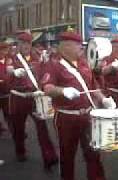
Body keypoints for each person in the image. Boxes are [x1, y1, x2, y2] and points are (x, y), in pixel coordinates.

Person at [42, 29, 113, 180]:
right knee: (67, 156)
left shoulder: (83, 63)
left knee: (93, 153)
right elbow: (47, 88)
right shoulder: (53, 65)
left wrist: (103, 99)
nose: (82, 48)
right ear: (66, 46)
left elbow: (93, 87)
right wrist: (62, 91)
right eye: (78, 45)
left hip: (87, 116)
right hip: (67, 118)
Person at [6, 32, 58, 170]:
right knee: (18, 128)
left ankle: (49, 157)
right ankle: (20, 151)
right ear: (18, 44)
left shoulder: (37, 58)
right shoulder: (12, 58)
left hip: (35, 97)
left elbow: (45, 75)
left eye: (28, 43)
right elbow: (7, 70)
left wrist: (44, 85)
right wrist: (13, 72)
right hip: (18, 98)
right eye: (22, 43)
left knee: (42, 128)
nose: (25, 46)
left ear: (31, 44)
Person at [0, 42, 11, 136]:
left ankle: (14, 131)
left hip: (7, 92)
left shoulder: (9, 60)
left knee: (8, 113)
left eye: (6, 50)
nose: (4, 52)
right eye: (3, 50)